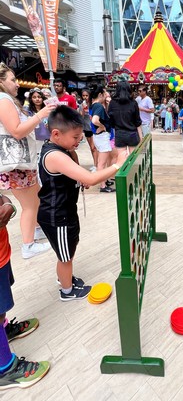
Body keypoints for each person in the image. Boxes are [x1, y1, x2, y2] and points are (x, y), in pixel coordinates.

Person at [37, 105, 127, 301]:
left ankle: (66, 277)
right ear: (56, 133)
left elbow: (79, 176)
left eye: (80, 137)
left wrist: (79, 180)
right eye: (75, 137)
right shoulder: (54, 155)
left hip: (65, 211)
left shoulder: (64, 149)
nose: (79, 141)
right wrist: (117, 164)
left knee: (69, 247)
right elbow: (91, 178)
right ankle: (67, 291)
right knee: (65, 256)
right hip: (56, 215)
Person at [0, 62, 54, 259]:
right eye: (12, 80)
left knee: (34, 200)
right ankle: (28, 245)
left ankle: (35, 230)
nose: (16, 84)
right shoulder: (4, 99)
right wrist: (41, 115)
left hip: (20, 163)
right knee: (30, 205)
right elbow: (16, 131)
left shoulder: (7, 99)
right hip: (16, 164)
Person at [0, 193, 50, 389]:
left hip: (2, 250)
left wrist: (8, 204)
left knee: (1, 307)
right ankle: (6, 368)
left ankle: (4, 331)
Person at [108, 80, 142, 155]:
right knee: (133, 159)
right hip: (132, 134)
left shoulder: (112, 103)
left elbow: (111, 121)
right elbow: (137, 122)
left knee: (121, 159)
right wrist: (141, 137)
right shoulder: (133, 103)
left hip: (119, 134)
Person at [90, 85, 114, 193]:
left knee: (101, 161)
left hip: (98, 136)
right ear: (100, 95)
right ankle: (103, 185)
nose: (105, 96)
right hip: (102, 136)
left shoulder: (93, 105)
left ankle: (104, 180)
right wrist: (102, 126)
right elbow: (95, 120)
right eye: (104, 94)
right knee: (102, 163)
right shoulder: (98, 106)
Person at [26, 88, 50, 154]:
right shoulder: (27, 111)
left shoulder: (48, 109)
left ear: (43, 98)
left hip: (47, 140)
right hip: (34, 140)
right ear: (31, 99)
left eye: (39, 97)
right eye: (34, 97)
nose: (37, 99)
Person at [79, 88, 97, 172]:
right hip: (87, 128)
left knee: (94, 147)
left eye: (86, 95)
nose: (85, 97)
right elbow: (81, 117)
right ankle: (95, 164)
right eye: (83, 95)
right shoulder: (81, 105)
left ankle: (97, 165)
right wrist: (82, 109)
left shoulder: (94, 104)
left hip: (94, 127)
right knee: (91, 147)